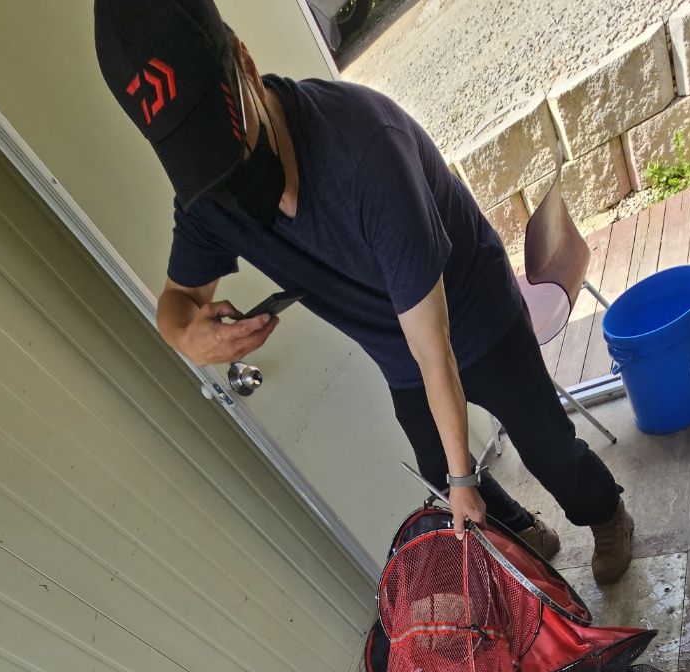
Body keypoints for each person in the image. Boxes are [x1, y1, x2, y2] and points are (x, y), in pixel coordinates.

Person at [94, 0, 634, 582]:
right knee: (439, 473)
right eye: (204, 164)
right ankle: (524, 530)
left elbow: (435, 350)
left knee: (546, 448)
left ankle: (606, 515)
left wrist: (464, 479)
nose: (231, 180)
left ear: (245, 65)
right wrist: (184, 336)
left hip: (473, 311)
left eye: (231, 146)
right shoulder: (209, 202)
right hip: (398, 349)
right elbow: (177, 300)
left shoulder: (365, 149)